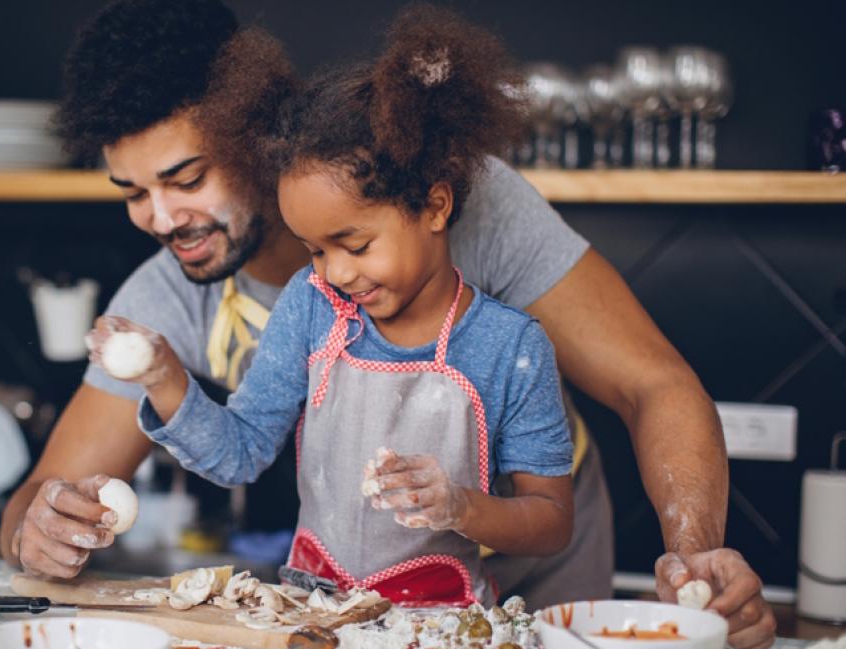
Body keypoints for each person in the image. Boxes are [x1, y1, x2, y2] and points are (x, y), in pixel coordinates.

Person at [0, 0, 775, 649]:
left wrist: (695, 557)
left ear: (250, 137)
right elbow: (43, 490)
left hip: (544, 564)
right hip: (358, 599)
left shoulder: (460, 201)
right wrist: (36, 528)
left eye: (187, 178)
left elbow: (653, 385)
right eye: (132, 192)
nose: (162, 219)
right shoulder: (171, 294)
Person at [84, 7, 576, 608]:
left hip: (440, 619)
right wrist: (163, 375)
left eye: (356, 244)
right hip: (315, 609)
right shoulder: (313, 307)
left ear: (435, 206)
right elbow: (237, 454)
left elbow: (551, 523)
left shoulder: (511, 347)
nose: (335, 273)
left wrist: (458, 506)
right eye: (315, 249)